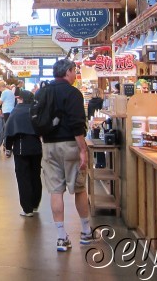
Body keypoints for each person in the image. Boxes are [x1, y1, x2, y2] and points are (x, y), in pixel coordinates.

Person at [39, 58, 92, 252]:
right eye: (75, 70)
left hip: (49, 145)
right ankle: (86, 232)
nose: (76, 74)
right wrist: (83, 150)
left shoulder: (43, 91)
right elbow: (77, 124)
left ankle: (61, 237)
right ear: (68, 71)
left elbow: (37, 119)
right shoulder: (73, 93)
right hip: (70, 144)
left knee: (55, 190)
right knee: (79, 187)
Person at [4, 92, 43, 217]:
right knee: (35, 175)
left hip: (21, 147)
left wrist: (8, 148)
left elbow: (9, 130)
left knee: (23, 177)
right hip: (37, 147)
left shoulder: (17, 111)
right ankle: (35, 204)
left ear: (21, 99)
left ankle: (27, 208)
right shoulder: (36, 110)